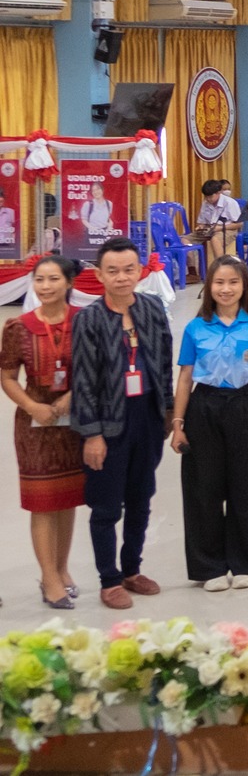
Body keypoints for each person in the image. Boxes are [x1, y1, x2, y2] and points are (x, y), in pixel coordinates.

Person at [71, 237, 174, 610]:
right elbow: (82, 381)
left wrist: (167, 411)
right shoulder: (89, 319)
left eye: (129, 269)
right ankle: (109, 579)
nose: (121, 278)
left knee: (141, 498)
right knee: (106, 507)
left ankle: (131, 569)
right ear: (99, 274)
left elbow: (164, 361)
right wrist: (92, 433)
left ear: (139, 270)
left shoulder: (152, 309)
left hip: (146, 417)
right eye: (112, 271)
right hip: (109, 423)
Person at [171, 256, 248, 591]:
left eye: (233, 282)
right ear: (209, 287)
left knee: (247, 486)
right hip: (204, 407)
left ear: (244, 285)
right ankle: (209, 566)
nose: (226, 289)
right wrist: (178, 423)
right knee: (203, 487)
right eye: (219, 282)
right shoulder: (195, 328)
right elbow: (185, 377)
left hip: (247, 404)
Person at [1, 254, 85, 608]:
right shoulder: (18, 328)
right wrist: (32, 406)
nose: (46, 286)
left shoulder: (84, 323)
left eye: (53, 279)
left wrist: (70, 396)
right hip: (35, 425)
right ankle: (48, 578)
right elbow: (6, 376)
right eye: (40, 280)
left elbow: (95, 366)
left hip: (73, 422)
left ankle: (62, 569)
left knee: (67, 499)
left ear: (68, 283)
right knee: (43, 502)